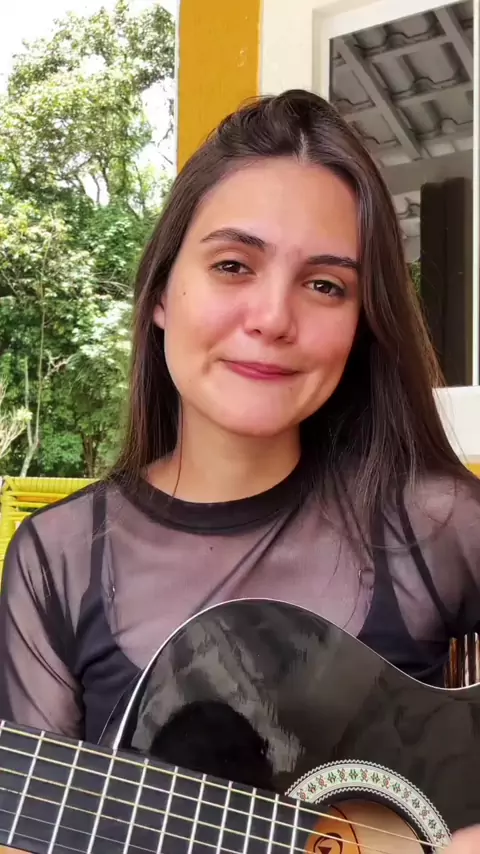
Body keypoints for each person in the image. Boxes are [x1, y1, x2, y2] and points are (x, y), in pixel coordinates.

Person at [0, 89, 479, 851]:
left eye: (325, 285)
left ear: (361, 324)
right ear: (161, 294)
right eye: (232, 265)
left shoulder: (436, 522)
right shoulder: (58, 561)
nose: (273, 318)